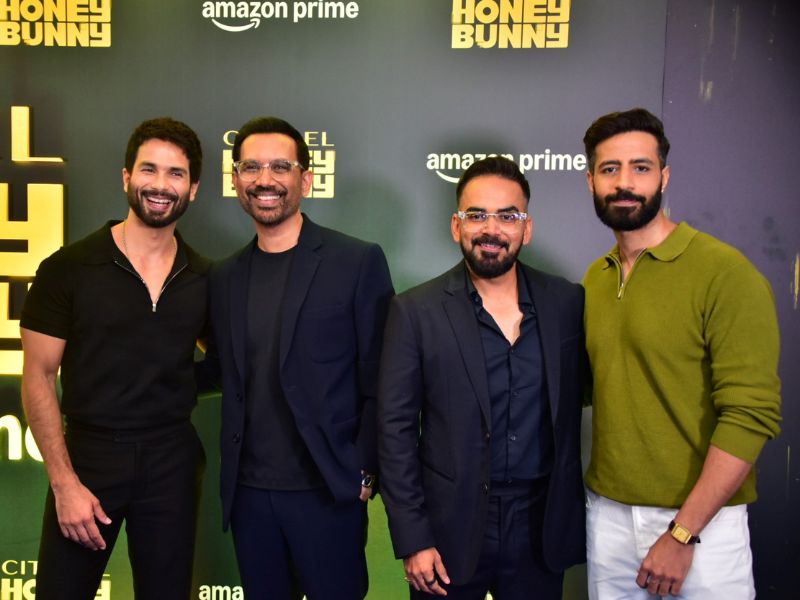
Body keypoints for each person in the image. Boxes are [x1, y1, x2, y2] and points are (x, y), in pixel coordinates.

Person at [581, 108, 782, 599]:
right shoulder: (596, 278)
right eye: (610, 169)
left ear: (664, 177)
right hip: (607, 518)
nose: (624, 183)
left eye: (641, 167)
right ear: (591, 181)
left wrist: (683, 532)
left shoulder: (725, 273)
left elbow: (750, 414)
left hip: (701, 526)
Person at [378, 156, 587, 599]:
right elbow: (395, 432)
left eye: (508, 216)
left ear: (527, 229)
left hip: (541, 526)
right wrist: (413, 538)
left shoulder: (566, 302)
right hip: (447, 529)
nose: (491, 229)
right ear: (456, 226)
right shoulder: (415, 311)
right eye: (477, 215)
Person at [204, 116, 394, 599]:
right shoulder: (224, 277)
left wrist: (366, 469)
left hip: (328, 489)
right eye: (251, 167)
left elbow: (384, 377)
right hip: (250, 496)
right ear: (235, 180)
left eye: (280, 167)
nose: (264, 179)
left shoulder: (356, 261)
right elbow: (224, 369)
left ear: (305, 180)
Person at [20, 117, 209, 599]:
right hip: (89, 458)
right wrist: (64, 483)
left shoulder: (204, 277)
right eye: (149, 169)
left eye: (176, 173)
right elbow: (38, 375)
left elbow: (230, 361)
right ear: (127, 177)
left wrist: (178, 383)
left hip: (171, 459)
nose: (161, 185)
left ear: (193, 189)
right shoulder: (67, 268)